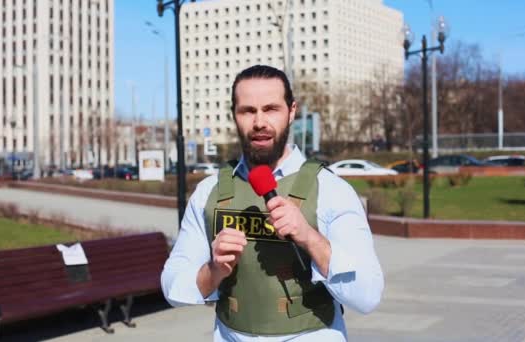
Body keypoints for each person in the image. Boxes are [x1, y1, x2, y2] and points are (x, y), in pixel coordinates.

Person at [161, 65, 384, 341]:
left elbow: (368, 295)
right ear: (234, 115)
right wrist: (214, 270)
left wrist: (310, 238)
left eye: (271, 109)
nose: (259, 122)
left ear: (291, 112)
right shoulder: (209, 192)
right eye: (247, 110)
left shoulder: (331, 190)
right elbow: (172, 287)